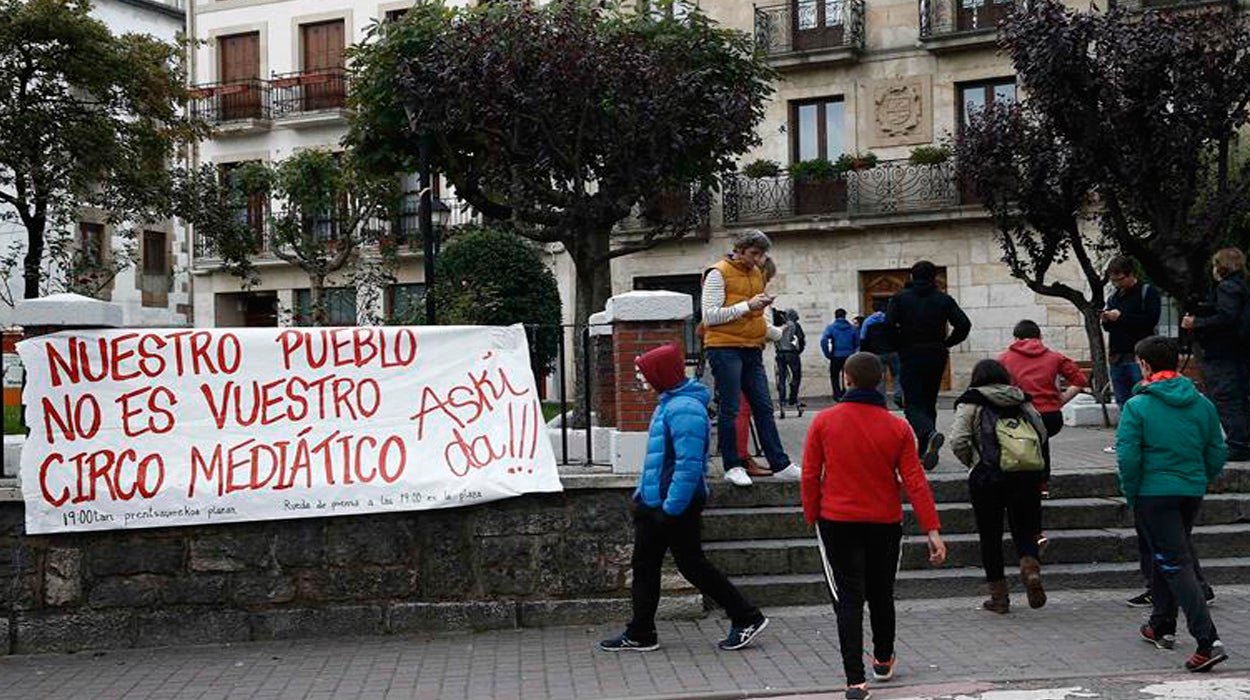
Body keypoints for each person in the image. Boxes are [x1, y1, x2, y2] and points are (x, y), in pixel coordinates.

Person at [600, 344, 770, 653]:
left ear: (661, 374)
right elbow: (660, 459)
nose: (643, 379)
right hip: (656, 502)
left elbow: (689, 465)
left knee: (693, 566)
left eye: (647, 372)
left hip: (675, 504)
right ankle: (641, 632)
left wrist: (671, 508)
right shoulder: (669, 403)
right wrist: (644, 495)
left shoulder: (685, 408)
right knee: (646, 565)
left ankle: (747, 617)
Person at [801, 352, 946, 700]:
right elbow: (914, 480)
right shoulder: (898, 427)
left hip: (836, 519)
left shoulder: (823, 421)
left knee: (848, 598)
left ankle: (855, 680)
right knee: (882, 593)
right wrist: (932, 529)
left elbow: (809, 474)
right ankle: (883, 657)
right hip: (884, 520)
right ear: (880, 381)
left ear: (847, 380)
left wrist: (811, 515)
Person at [1115, 336, 1228, 672]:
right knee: (1167, 554)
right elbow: (1217, 449)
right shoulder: (1201, 403)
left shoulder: (1138, 406)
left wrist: (1132, 492)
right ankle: (1161, 624)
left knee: (1176, 563)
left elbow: (1129, 457)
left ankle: (1208, 640)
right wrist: (1200, 478)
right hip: (1189, 490)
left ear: (1145, 365)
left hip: (1153, 493)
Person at [701, 229, 801, 487]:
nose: (758, 259)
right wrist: (749, 306)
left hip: (751, 347)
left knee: (764, 407)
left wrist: (768, 320)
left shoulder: (756, 273)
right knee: (731, 407)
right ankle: (733, 465)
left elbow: (757, 317)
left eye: (762, 254)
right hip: (724, 347)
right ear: (740, 249)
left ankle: (780, 464)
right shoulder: (717, 273)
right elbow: (710, 316)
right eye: (754, 253)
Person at [950, 359, 1049, 614]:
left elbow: (958, 439)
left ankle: (999, 597)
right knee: (1025, 528)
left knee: (990, 535)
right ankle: (1030, 566)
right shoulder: (1020, 397)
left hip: (987, 477)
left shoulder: (971, 401)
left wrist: (973, 462)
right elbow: (1041, 433)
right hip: (1026, 473)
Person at [885, 261, 972, 470]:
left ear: (912, 277)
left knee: (912, 404)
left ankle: (928, 434)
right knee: (928, 401)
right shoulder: (943, 299)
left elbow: (888, 326)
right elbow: (964, 324)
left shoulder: (899, 299)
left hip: (910, 353)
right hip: (936, 354)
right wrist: (946, 343)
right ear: (934, 277)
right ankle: (924, 452)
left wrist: (898, 345)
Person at [998, 320, 1087, 487]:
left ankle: (1021, 484)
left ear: (1015, 339)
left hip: (1020, 416)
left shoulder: (1003, 359)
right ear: (1040, 337)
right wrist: (1061, 400)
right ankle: (1042, 485)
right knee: (1041, 444)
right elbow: (1080, 380)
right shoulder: (1055, 357)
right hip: (1050, 416)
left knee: (1021, 447)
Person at [1182, 248, 1250, 462]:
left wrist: (1197, 323)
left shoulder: (1228, 288)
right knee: (1238, 398)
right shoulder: (1240, 287)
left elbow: (1226, 317)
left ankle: (1238, 445)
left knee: (1227, 398)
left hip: (1224, 353)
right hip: (1236, 352)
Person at [1102, 255, 1161, 423]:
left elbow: (1150, 320)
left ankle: (1148, 434)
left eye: (1119, 280)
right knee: (1123, 401)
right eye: (1113, 281)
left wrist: (1121, 317)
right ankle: (1128, 435)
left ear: (1130, 275)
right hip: (1117, 355)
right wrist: (1107, 319)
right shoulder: (1114, 297)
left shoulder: (1146, 292)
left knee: (1142, 397)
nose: (1117, 284)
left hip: (1138, 355)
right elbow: (1110, 327)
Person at [860, 300, 903, 409]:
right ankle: (898, 395)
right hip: (893, 352)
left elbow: (863, 338)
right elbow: (898, 335)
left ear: (873, 309)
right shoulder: (890, 319)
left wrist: (865, 352)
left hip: (877, 353)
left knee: (880, 377)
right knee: (898, 375)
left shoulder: (868, 321)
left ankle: (881, 401)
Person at [820, 308, 859, 400]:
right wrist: (854, 352)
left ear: (835, 316)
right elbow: (857, 343)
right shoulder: (852, 328)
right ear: (845, 316)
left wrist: (828, 354)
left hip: (836, 355)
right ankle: (850, 393)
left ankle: (837, 394)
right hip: (849, 355)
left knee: (834, 376)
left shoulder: (831, 328)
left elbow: (824, 341)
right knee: (851, 375)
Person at [776, 308, 806, 418]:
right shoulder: (795, 325)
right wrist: (799, 350)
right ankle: (793, 397)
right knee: (796, 376)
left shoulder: (779, 325)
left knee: (782, 378)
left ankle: (782, 399)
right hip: (792, 353)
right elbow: (801, 339)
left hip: (780, 353)